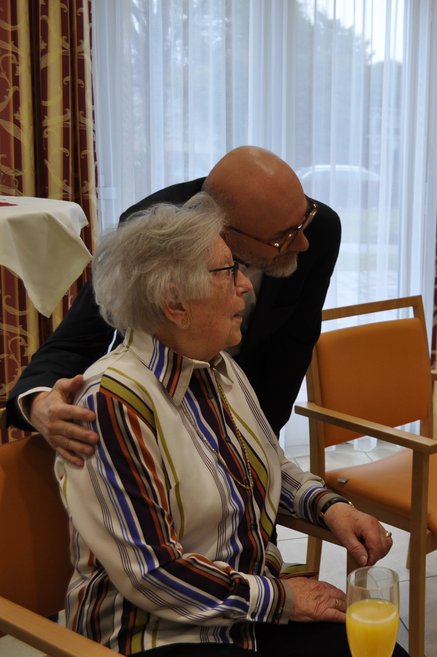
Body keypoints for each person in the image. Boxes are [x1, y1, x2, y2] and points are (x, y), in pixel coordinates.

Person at [56, 195, 405, 657]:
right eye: (227, 271)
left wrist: (330, 508)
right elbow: (153, 574)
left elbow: (265, 461)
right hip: (155, 632)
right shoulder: (112, 403)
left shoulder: (217, 366)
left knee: (381, 653)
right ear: (174, 302)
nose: (245, 286)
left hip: (245, 613)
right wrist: (285, 598)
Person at [6, 146, 341, 466]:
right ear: (225, 231)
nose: (303, 242)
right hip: (158, 406)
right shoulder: (155, 232)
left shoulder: (318, 230)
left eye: (305, 218)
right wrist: (39, 401)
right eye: (284, 237)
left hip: (246, 400)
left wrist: (257, 450)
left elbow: (292, 349)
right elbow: (78, 338)